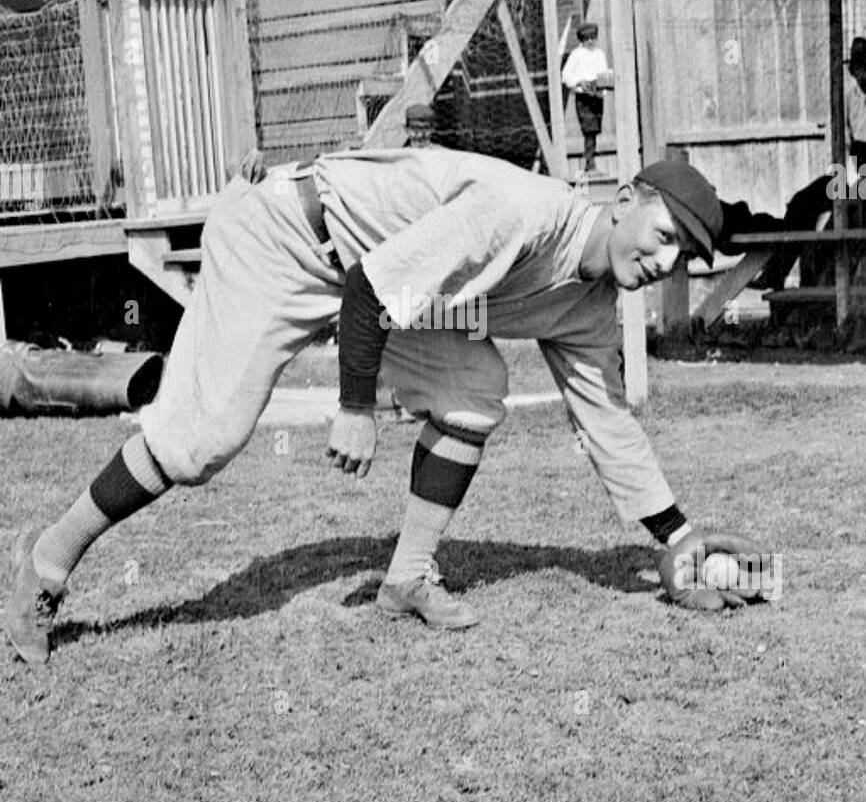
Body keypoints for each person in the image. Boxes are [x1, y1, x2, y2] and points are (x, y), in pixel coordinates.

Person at [3, 147, 771, 667]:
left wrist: (679, 539)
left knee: (474, 390)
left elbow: (607, 422)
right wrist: (355, 405)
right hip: (289, 236)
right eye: (664, 236)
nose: (663, 262)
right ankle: (47, 563)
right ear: (627, 198)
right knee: (202, 443)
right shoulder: (520, 211)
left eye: (683, 258)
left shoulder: (593, 306)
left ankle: (405, 580)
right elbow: (371, 291)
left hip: (380, 284)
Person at [562, 22, 610, 174]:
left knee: (595, 130)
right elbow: (566, 76)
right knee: (588, 130)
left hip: (596, 95)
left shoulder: (599, 54)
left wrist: (605, 82)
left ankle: (591, 163)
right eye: (587, 38)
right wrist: (579, 83)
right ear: (581, 40)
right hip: (584, 97)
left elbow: (603, 72)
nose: (590, 41)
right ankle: (589, 164)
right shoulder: (576, 55)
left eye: (593, 38)